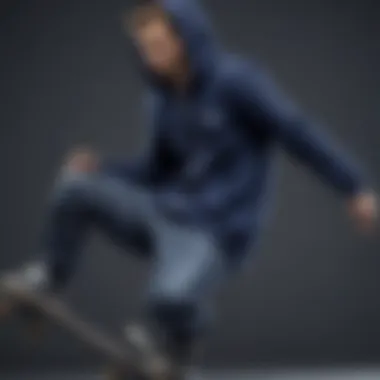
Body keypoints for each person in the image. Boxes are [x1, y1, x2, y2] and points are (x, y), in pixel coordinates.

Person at [1, 0, 377, 379]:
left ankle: (178, 346)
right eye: (144, 48)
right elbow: (156, 171)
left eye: (159, 45)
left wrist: (353, 186)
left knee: (170, 300)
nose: (151, 56)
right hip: (164, 210)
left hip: (212, 230)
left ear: (186, 41)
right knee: (76, 188)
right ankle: (47, 280)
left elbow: (297, 132)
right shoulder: (162, 100)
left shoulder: (237, 83)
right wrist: (104, 167)